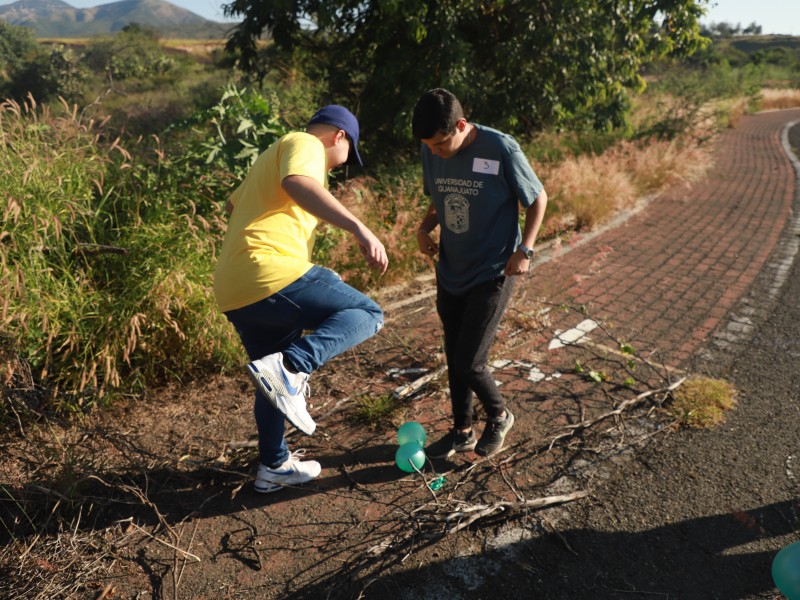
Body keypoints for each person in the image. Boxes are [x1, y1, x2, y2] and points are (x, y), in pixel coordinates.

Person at [213, 105, 388, 493]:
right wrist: (360, 229)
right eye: (349, 154)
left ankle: (274, 464)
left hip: (235, 286)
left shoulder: (267, 159)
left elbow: (233, 204)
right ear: (339, 136)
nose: (343, 165)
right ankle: (294, 367)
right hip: (266, 272)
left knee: (268, 377)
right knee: (367, 311)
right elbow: (297, 183)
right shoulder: (306, 142)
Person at [411, 88, 548, 458]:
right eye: (429, 146)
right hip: (451, 269)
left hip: (494, 268)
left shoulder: (500, 148)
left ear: (461, 125)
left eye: (441, 144)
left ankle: (499, 414)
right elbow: (437, 197)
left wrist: (526, 249)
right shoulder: (431, 147)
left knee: (469, 361)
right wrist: (424, 229)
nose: (435, 152)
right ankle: (461, 430)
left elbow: (537, 198)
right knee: (453, 352)